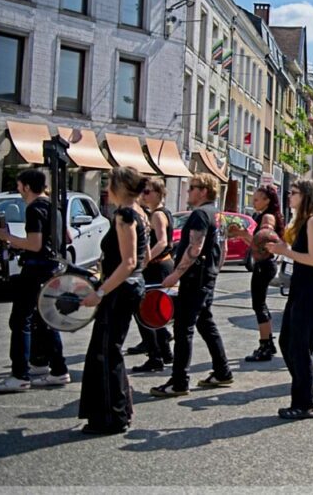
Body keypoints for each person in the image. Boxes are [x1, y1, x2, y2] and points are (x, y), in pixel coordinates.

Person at [77, 167, 148, 434]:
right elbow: (145, 257)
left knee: (106, 352)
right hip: (129, 287)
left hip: (120, 290)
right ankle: (118, 411)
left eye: (109, 184)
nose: (106, 189)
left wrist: (102, 290)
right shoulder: (141, 214)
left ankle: (111, 417)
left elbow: (129, 262)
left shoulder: (124, 215)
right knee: (109, 350)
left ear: (119, 188)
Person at [150, 174, 232, 397]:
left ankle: (179, 382)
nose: (188, 192)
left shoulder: (199, 215)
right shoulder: (217, 215)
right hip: (207, 277)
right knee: (205, 323)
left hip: (195, 279)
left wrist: (175, 275)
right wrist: (215, 270)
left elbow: (195, 248)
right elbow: (222, 248)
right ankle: (223, 371)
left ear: (203, 191)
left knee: (183, 328)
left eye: (192, 188)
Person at [0, 169, 70, 393]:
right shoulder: (54, 207)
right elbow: (66, 237)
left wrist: (8, 238)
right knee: (44, 319)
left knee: (20, 321)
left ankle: (19, 375)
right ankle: (58, 369)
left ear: (26, 186)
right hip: (50, 268)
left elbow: (34, 244)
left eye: (18, 185)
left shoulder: (34, 209)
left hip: (35, 270)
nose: (18, 190)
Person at [270, 180, 313, 420]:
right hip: (300, 286)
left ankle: (304, 404)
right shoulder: (301, 221)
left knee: (300, 347)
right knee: (286, 342)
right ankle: (312, 387)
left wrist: (286, 252)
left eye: (293, 193)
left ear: (306, 196)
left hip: (311, 288)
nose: (289, 196)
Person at [227, 185, 286, 362]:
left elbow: (264, 241)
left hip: (264, 264)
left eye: (257, 199)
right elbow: (257, 242)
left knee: (258, 304)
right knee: (259, 303)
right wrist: (241, 234)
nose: (254, 202)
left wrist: (243, 233)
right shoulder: (264, 215)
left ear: (267, 201)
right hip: (265, 264)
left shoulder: (267, 217)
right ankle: (267, 343)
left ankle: (265, 345)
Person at [131, 177, 176, 373]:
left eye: (147, 192)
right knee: (154, 310)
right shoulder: (160, 212)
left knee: (146, 312)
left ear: (158, 193)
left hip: (157, 266)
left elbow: (162, 242)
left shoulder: (157, 215)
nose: (144, 195)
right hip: (162, 265)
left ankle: (155, 355)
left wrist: (145, 259)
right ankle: (163, 350)